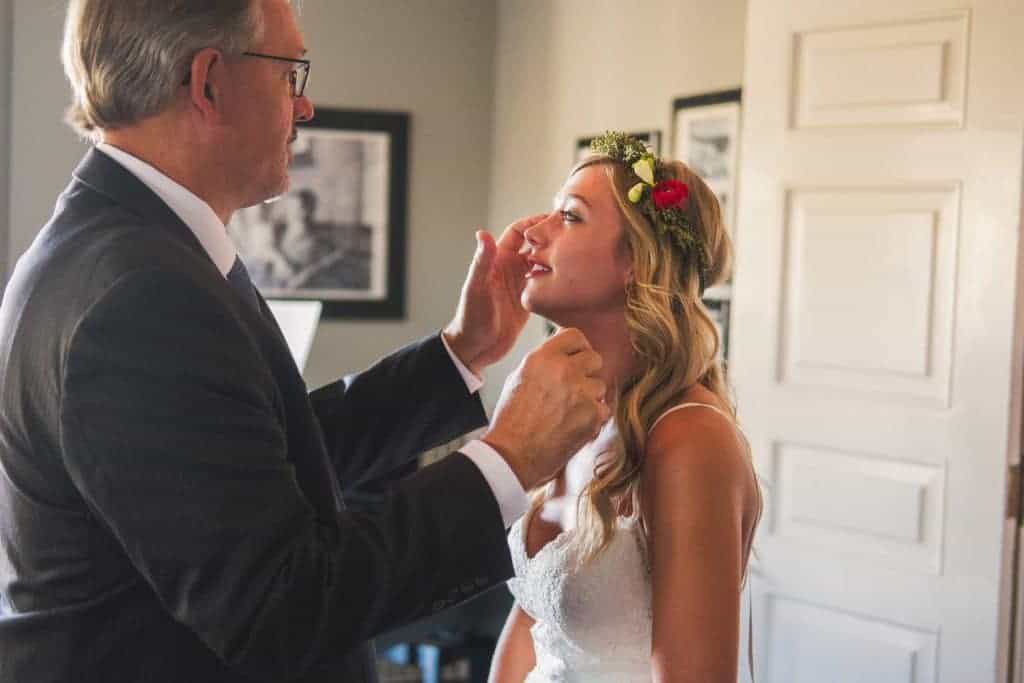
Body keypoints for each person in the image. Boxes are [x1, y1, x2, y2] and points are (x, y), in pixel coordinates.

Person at [0, 2, 610, 682]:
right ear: (208, 82)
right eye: (291, 73)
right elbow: (280, 605)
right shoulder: (139, 291)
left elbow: (256, 461)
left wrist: (459, 353)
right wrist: (506, 458)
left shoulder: (130, 247)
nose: (307, 104)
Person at [488, 132, 762, 683]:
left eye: (569, 216)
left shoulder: (688, 440)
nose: (531, 232)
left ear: (634, 262)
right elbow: (531, 621)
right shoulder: (557, 411)